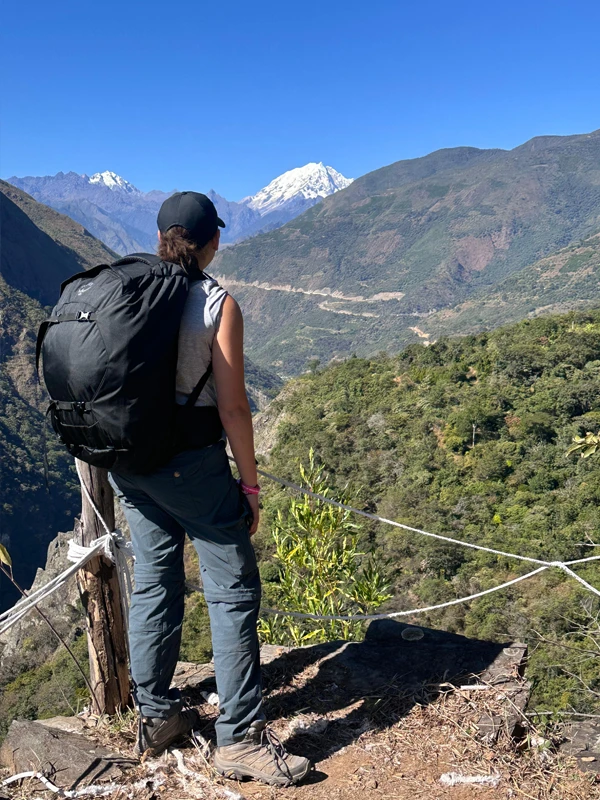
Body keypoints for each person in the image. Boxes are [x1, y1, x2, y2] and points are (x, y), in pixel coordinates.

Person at [108, 192, 311, 787]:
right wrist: (249, 485)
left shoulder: (127, 287)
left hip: (129, 463)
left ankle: (155, 716)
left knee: (155, 576)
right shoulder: (216, 303)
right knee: (233, 587)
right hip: (189, 466)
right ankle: (242, 738)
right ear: (212, 241)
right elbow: (232, 405)